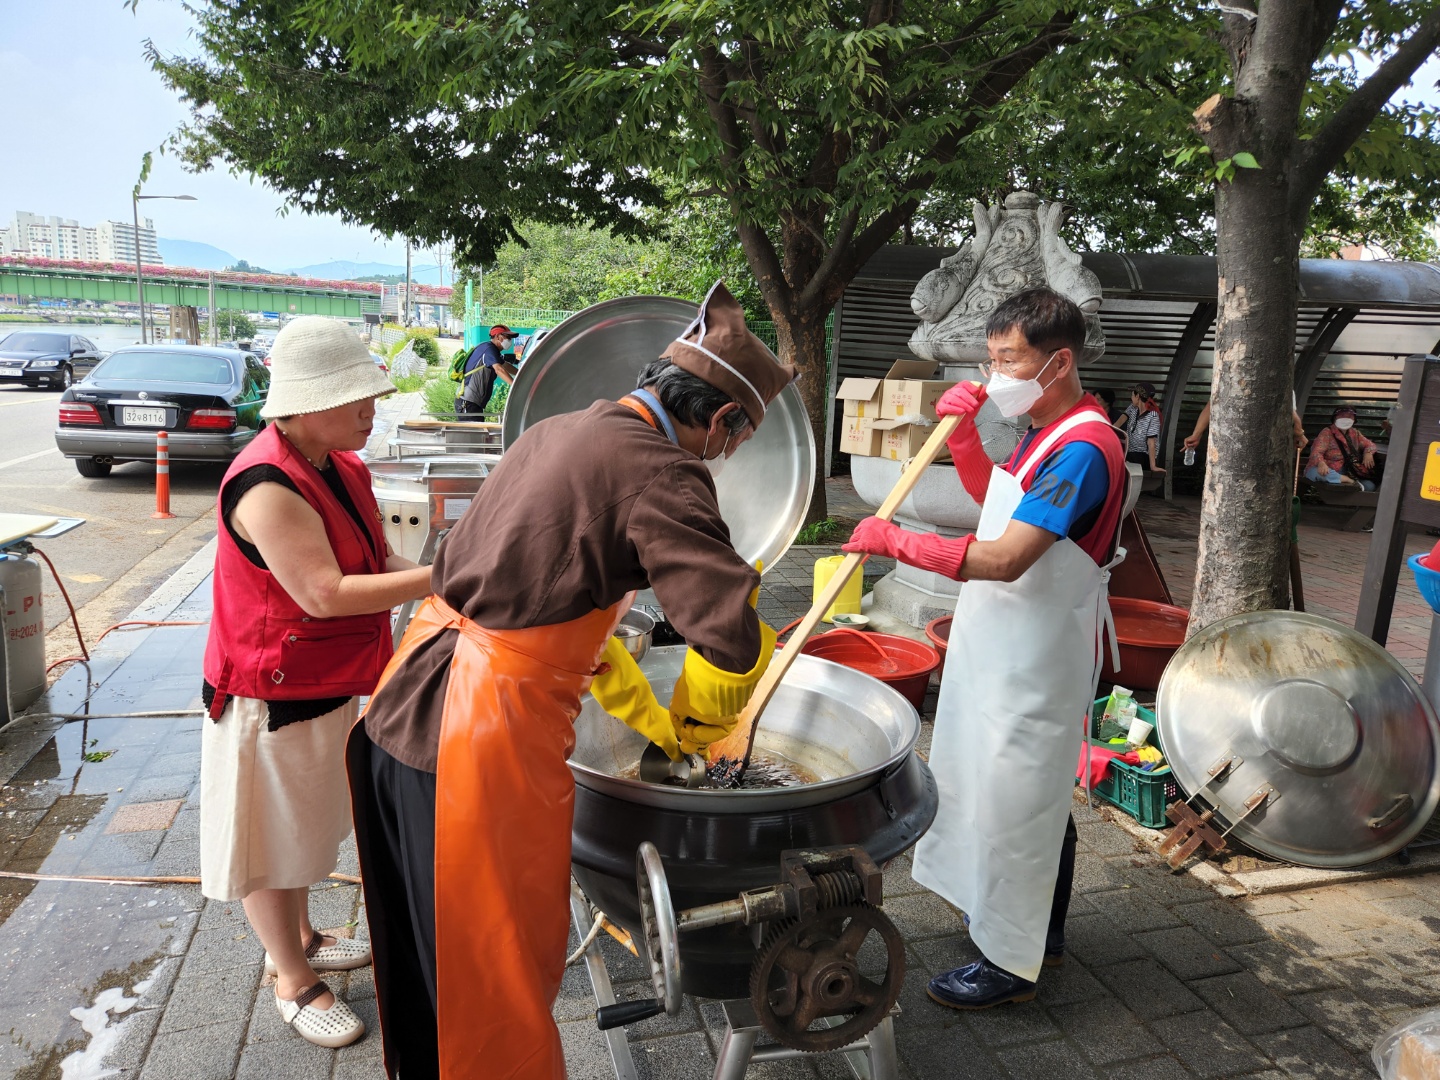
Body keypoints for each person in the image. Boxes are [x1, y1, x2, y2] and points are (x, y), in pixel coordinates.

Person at [349, 281, 794, 1079]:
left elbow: (545, 596)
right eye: (738, 438)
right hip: (474, 736)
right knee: (491, 974)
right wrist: (698, 728)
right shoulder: (664, 471)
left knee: (431, 956)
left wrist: (646, 717)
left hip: (406, 691)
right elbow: (729, 634)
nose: (727, 454)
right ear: (722, 417)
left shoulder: (558, 430)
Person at [843, 287, 1127, 1009]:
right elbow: (997, 504)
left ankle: (1010, 965)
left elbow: (1004, 557)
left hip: (1038, 654)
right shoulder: (1044, 431)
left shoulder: (1085, 449)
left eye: (1009, 360)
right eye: (991, 359)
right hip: (1003, 646)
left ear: (1059, 362)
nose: (995, 374)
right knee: (1011, 792)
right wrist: (966, 439)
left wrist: (898, 541)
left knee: (1021, 800)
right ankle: (1035, 932)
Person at [199, 317, 433, 1048]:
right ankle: (291, 978)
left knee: (301, 827)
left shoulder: (341, 464)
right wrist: (448, 579)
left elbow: (378, 559)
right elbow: (324, 594)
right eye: (357, 398)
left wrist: (447, 574)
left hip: (328, 678)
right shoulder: (265, 485)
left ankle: (301, 937)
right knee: (268, 843)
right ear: (305, 404)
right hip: (269, 691)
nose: (372, 410)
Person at [1182, 398, 1308, 454]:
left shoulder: (1228, 372)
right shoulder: (1279, 374)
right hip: (1265, 443)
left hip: (1229, 442)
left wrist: (1196, 434)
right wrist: (1299, 432)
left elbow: (1213, 403)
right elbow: (1289, 411)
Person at [1306, 405, 1378, 490]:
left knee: (1370, 486)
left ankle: (1350, 482)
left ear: (1354, 419)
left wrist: (1368, 453)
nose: (1345, 419)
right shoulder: (1327, 432)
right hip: (1328, 469)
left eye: (1349, 416)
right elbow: (1316, 451)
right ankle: (1347, 480)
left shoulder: (1355, 433)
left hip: (1348, 471)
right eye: (1342, 415)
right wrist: (1321, 463)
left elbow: (1370, 444)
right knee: (1321, 473)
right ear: (1335, 418)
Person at [456, 324, 519, 415]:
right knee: (473, 425)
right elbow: (499, 370)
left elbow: (504, 365)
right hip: (468, 402)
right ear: (498, 337)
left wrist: (521, 373)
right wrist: (516, 386)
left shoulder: (491, 349)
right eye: (508, 337)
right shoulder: (489, 349)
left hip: (472, 402)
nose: (510, 340)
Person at [1122, 382, 1165, 474]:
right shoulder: (1132, 408)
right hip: (1129, 453)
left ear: (1137, 396)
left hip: (1143, 456)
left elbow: (1151, 442)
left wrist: (1153, 466)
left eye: (1132, 395)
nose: (1131, 398)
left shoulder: (1153, 415)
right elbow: (1120, 421)